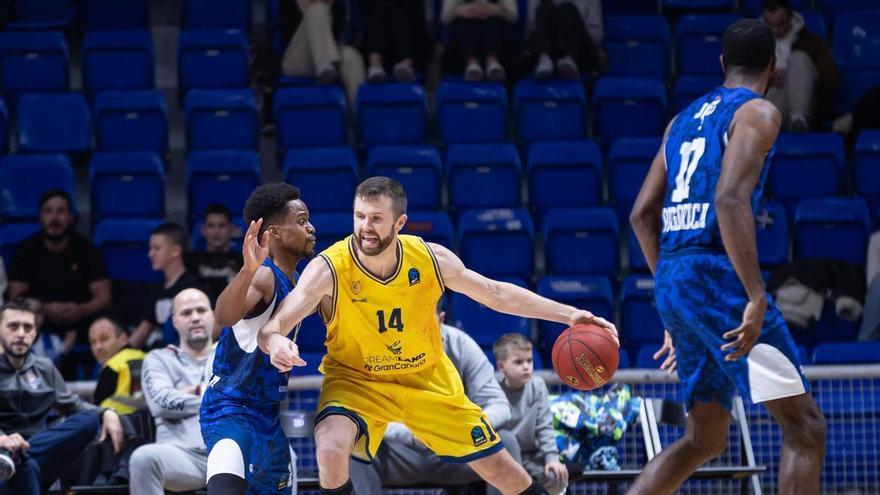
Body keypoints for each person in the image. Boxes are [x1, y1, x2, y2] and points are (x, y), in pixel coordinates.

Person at [257, 176, 618, 495]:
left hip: (427, 381)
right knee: (329, 447)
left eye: (376, 219)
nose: (366, 227)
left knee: (506, 473)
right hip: (357, 381)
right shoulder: (329, 268)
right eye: (360, 216)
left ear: (399, 222)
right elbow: (273, 327)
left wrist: (570, 314)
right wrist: (275, 341)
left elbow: (496, 293)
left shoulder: (430, 259)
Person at [628, 19, 826, 495]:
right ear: (774, 68)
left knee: (704, 438)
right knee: (806, 429)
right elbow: (729, 199)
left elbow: (640, 215)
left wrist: (676, 303)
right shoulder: (757, 112)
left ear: (722, 64)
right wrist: (755, 295)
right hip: (717, 280)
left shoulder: (681, 121)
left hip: (674, 276)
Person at [200, 183, 316, 495]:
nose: (311, 228)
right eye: (302, 221)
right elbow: (223, 316)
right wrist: (246, 272)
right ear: (275, 233)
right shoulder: (264, 275)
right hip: (232, 408)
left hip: (267, 413)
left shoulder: (298, 284)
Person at [349, 307, 516, 494]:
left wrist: (464, 427)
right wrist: (412, 435)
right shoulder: (378, 348)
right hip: (403, 453)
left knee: (506, 441)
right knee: (354, 445)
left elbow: (500, 405)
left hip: (458, 451)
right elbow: (360, 413)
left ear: (441, 319)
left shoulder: (461, 344)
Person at [0, 299, 124, 494]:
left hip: (36, 450)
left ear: (34, 333)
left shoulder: (45, 368)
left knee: (90, 419)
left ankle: (16, 455)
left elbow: (74, 405)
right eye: (13, 327)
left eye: (27, 327)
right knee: (27, 467)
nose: (21, 334)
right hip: (2, 458)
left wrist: (107, 411)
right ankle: (11, 456)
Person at [7, 189, 111, 376]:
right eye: (48, 211)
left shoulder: (86, 250)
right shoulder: (26, 251)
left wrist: (80, 310)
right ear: (40, 217)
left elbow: (104, 297)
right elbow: (15, 296)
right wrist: (45, 308)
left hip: (80, 321)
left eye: (60, 211)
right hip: (40, 322)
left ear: (71, 216)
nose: (54, 218)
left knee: (106, 324)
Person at [129, 288, 215, 495]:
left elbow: (246, 399)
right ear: (175, 321)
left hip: (232, 451)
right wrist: (216, 395)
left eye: (201, 310)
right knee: (143, 458)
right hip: (183, 458)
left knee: (283, 455)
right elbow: (160, 403)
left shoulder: (230, 355)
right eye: (186, 313)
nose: (195, 318)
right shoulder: (158, 359)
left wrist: (192, 391)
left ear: (212, 315)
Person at [493, 333, 567, 494]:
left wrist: (552, 459)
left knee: (557, 475)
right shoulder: (493, 391)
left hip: (532, 457)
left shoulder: (537, 385)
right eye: (518, 362)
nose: (526, 366)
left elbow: (544, 426)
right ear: (501, 367)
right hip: (504, 459)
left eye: (529, 360)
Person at [761, 0, 838, 132]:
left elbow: (831, 78)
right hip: (769, 102)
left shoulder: (810, 41)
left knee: (799, 58)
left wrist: (793, 76)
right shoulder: (755, 43)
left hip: (804, 101)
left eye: (781, 24)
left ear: (790, 18)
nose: (776, 30)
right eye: (770, 25)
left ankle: (799, 119)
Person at [130, 222, 203, 350]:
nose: (150, 254)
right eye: (150, 248)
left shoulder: (192, 289)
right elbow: (143, 331)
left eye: (157, 248)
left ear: (176, 250)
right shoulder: (157, 290)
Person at [280, 0, 365, 105]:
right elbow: (286, 34)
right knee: (317, 9)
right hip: (298, 59)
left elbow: (336, 37)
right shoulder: (289, 3)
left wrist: (329, 7)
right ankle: (323, 65)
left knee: (351, 56)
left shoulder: (337, 5)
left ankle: (357, 115)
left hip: (331, 60)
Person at [521, 0, 603, 80]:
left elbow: (597, 35)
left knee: (567, 8)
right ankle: (545, 59)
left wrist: (574, 27)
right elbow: (530, 30)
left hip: (578, 50)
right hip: (546, 47)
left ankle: (567, 58)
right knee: (545, 8)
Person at [441, 0, 518, 82]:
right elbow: (445, 17)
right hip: (461, 51)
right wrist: (459, 10)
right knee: (463, 22)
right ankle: (472, 65)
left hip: (499, 49)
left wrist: (498, 10)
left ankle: (493, 64)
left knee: (494, 20)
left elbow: (513, 16)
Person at [358, 0, 432, 83]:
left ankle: (406, 65)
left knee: (403, 9)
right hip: (379, 46)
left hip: (412, 48)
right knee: (378, 8)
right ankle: (375, 65)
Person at [185, 204, 244, 304]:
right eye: (211, 226)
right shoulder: (189, 260)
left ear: (231, 229)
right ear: (203, 230)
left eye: (222, 226)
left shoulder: (244, 260)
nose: (216, 231)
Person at [89, 317, 146, 415]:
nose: (98, 347)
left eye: (104, 339)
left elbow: (98, 409)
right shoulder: (149, 358)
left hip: (121, 425)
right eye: (93, 342)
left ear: (123, 339)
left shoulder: (112, 367)